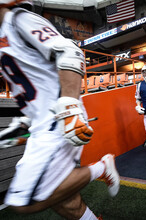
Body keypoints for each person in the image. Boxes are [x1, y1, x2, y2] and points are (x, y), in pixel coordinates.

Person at [0, 1, 120, 219]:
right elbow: (36, 85)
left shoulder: (18, 20)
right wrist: (24, 124)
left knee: (24, 201)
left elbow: (70, 52)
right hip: (43, 122)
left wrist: (70, 107)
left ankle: (101, 168)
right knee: (62, 198)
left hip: (59, 116)